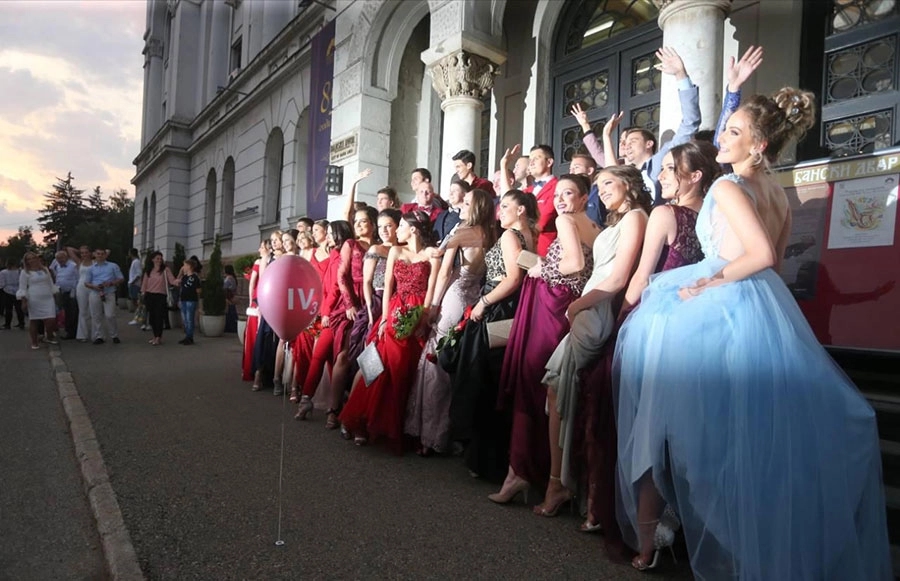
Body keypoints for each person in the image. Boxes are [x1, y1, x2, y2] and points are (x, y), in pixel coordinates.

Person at [614, 88, 892, 578]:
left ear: (759, 145)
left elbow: (760, 255)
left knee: (698, 443)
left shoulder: (725, 188)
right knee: (752, 442)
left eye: (735, 131)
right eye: (726, 128)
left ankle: (680, 539)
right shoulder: (777, 193)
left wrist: (708, 281)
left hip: (723, 303)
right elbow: (777, 264)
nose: (723, 136)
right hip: (764, 308)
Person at [536, 165, 650, 522]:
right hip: (591, 305)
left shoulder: (635, 217)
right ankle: (563, 481)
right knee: (560, 389)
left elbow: (618, 277)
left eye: (607, 184)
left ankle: (559, 484)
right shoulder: (613, 222)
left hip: (596, 309)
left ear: (629, 185)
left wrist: (577, 304)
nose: (601, 191)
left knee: (558, 389)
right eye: (598, 186)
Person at [490, 174, 598, 503]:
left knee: (532, 382)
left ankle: (523, 473)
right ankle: (540, 473)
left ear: (583, 198)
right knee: (552, 392)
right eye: (559, 193)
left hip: (550, 305)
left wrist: (542, 270)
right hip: (563, 307)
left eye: (570, 193)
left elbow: (574, 264)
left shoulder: (567, 221)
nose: (562, 199)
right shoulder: (594, 227)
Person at [448, 190, 538, 481]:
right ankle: (492, 459)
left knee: (481, 380)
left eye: (508, 206)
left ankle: (485, 460)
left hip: (496, 307)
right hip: (509, 308)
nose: (501, 211)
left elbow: (513, 278)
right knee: (492, 381)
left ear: (522, 209)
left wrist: (483, 303)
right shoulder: (529, 234)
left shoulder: (512, 236)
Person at [339, 211, 440, 450]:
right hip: (393, 310)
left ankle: (391, 425)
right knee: (374, 365)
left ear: (413, 229)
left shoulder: (431, 255)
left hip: (417, 313)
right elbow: (388, 286)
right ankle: (357, 419)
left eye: (402, 225)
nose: (397, 230)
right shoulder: (396, 251)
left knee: (404, 371)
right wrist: (383, 318)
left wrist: (423, 318)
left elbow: (431, 291)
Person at [406, 189, 495, 456]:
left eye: (467, 203)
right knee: (453, 361)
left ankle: (430, 435)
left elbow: (444, 271)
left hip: (454, 295)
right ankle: (448, 431)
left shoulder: (461, 232)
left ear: (477, 207)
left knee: (436, 360)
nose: (461, 207)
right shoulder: (491, 234)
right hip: (474, 296)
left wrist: (432, 306)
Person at [603, 47, 701, 203]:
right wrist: (606, 136)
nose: (627, 146)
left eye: (633, 141)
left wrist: (680, 75)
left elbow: (690, 122)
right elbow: (611, 173)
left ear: (649, 143)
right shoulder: (629, 173)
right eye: (625, 143)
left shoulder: (662, 159)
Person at [296, 221, 354, 419]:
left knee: (336, 358)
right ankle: (308, 399)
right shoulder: (334, 255)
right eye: (326, 232)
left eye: (330, 233)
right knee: (322, 355)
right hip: (331, 311)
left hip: (343, 312)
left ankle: (334, 406)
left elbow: (337, 288)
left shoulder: (339, 255)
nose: (327, 236)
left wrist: (327, 312)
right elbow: (329, 288)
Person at [17, 252, 59, 349]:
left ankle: (48, 336)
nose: (31, 260)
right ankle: (34, 342)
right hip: (34, 298)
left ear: (37, 258)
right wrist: (24, 300)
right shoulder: (25, 272)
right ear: (26, 261)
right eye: (29, 259)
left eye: (33, 258)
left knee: (51, 319)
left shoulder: (45, 269)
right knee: (34, 320)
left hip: (47, 297)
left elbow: (51, 283)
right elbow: (22, 287)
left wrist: (54, 295)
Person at [84, 249, 124, 345]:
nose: (100, 256)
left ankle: (114, 335)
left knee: (110, 315)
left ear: (106, 255)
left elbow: (121, 278)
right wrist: (94, 286)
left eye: (102, 254)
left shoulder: (113, 266)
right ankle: (99, 336)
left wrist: (111, 283)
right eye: (98, 254)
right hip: (95, 292)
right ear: (95, 255)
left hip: (109, 292)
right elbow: (86, 282)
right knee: (96, 316)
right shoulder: (91, 268)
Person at [243, 238, 269, 383]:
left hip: (262, 299)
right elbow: (252, 283)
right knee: (253, 333)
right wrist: (251, 300)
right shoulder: (258, 262)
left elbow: (253, 282)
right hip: (257, 300)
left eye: (261, 246)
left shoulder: (266, 261)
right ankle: (251, 369)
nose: (259, 249)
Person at [140, 251, 179, 346]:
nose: (159, 260)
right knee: (152, 318)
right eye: (157, 258)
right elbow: (144, 283)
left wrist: (177, 281)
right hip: (149, 295)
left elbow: (172, 280)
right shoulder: (148, 270)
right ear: (152, 259)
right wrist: (142, 293)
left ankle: (158, 337)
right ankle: (155, 335)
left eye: (160, 258)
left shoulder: (165, 270)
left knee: (159, 317)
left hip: (160, 296)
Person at [50, 249, 80, 339]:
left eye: (61, 258)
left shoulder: (73, 266)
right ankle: (67, 330)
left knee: (72, 312)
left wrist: (74, 291)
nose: (60, 260)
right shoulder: (58, 267)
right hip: (61, 291)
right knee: (64, 312)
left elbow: (77, 278)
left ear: (66, 257)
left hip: (71, 292)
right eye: (58, 258)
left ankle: (72, 332)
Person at [176, 258, 202, 345]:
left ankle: (190, 337)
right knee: (185, 319)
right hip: (183, 299)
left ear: (189, 266)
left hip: (191, 300)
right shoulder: (184, 277)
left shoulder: (195, 277)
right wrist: (180, 272)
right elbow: (177, 282)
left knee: (189, 319)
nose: (183, 267)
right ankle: (187, 336)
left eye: (185, 265)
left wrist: (197, 301)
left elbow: (198, 290)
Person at [75, 246, 94, 341]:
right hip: (81, 287)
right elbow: (70, 250)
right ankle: (83, 334)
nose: (84, 255)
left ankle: (96, 333)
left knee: (93, 310)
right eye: (82, 253)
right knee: (82, 310)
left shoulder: (95, 263)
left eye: (86, 252)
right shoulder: (79, 263)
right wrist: (79, 250)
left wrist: (94, 254)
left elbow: (107, 251)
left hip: (92, 286)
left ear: (90, 253)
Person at [0, 258, 25, 330]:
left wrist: (3, 288)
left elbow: (2, 283)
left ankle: (7, 324)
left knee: (8, 309)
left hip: (7, 291)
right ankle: (21, 323)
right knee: (19, 308)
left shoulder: (3, 272)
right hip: (18, 290)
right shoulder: (20, 271)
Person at [126, 248, 142, 316]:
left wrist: (133, 282)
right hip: (133, 283)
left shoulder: (136, 262)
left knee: (135, 300)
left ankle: (139, 315)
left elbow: (139, 273)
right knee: (133, 300)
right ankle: (137, 315)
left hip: (135, 284)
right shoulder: (134, 261)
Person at [224, 264, 238, 333]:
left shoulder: (228, 278)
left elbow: (225, 288)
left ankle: (230, 327)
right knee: (232, 312)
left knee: (229, 313)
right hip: (232, 296)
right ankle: (233, 326)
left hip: (229, 297)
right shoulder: (233, 278)